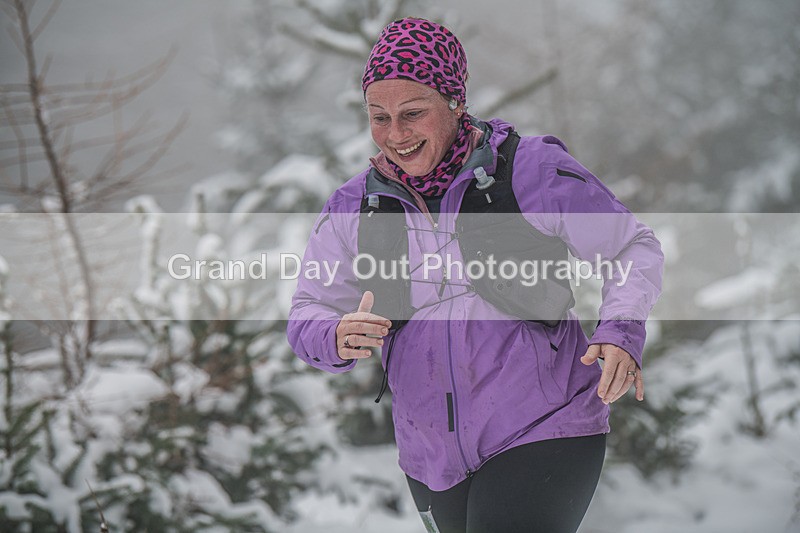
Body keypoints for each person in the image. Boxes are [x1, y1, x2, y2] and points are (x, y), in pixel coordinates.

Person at [287, 17, 663, 533]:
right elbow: (309, 308)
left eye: (412, 113)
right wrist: (332, 334)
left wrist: (621, 329)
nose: (395, 134)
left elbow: (630, 248)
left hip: (544, 427)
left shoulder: (530, 172)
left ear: (455, 102)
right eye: (379, 117)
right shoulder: (356, 206)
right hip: (429, 457)